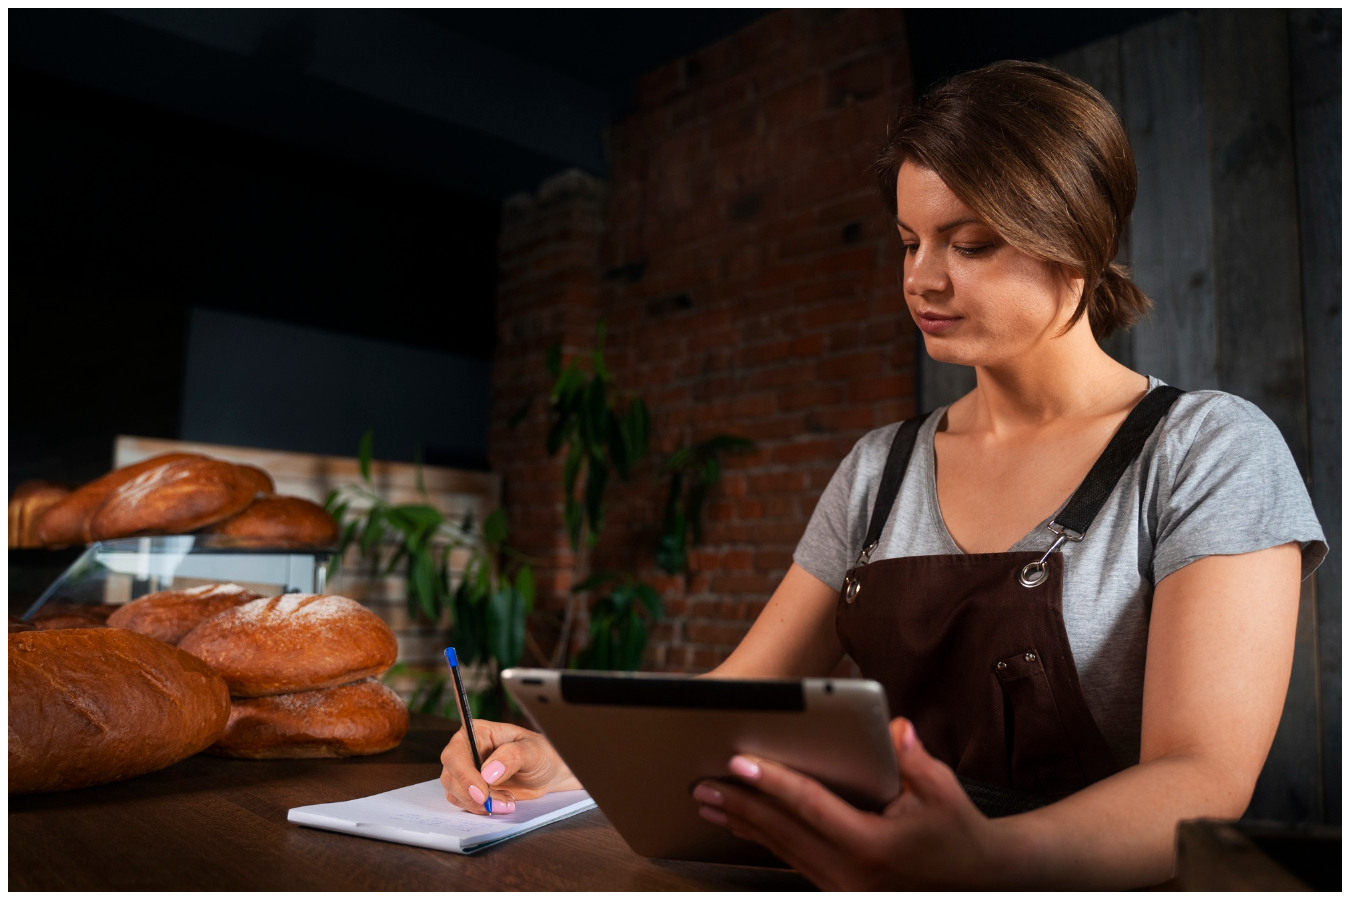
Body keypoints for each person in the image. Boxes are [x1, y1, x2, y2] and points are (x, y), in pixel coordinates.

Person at [439, 61, 1326, 888]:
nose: (921, 279)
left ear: (1079, 238)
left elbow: (1204, 776)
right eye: (909, 242)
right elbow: (736, 695)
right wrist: (567, 754)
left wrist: (979, 857)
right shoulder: (880, 468)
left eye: (969, 244)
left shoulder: (1207, 451)